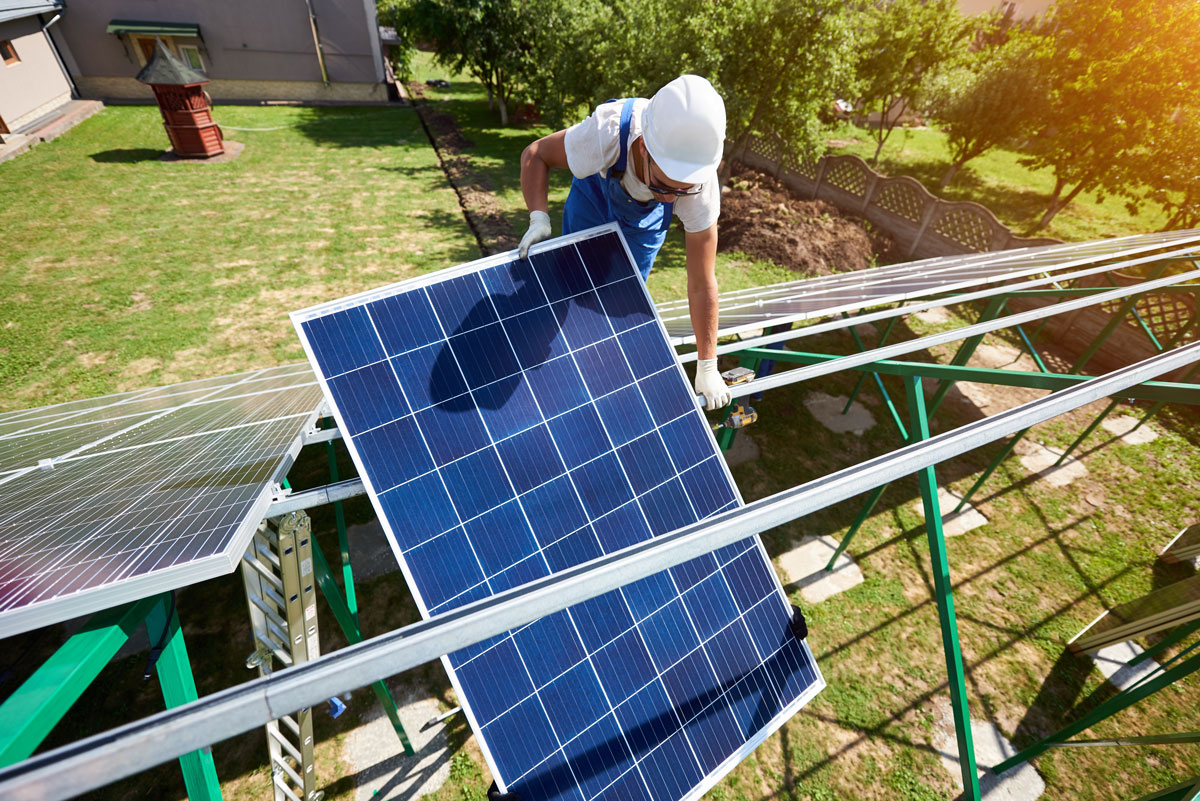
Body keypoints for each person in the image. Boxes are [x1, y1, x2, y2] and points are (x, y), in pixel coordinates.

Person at [517, 74, 732, 410]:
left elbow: (702, 283)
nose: (669, 198)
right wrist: (538, 217)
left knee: (614, 308)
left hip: (641, 231)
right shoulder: (606, 131)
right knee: (566, 287)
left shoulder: (699, 187)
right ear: (644, 147)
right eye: (663, 184)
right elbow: (537, 154)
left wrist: (707, 364)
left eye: (681, 191)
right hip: (592, 204)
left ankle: (587, 386)